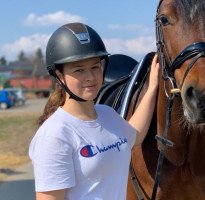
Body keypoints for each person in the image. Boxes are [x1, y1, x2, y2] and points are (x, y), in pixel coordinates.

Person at [29, 22, 159, 200]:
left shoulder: (108, 115)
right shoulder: (55, 135)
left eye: (95, 67)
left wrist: (152, 88)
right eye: (79, 70)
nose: (90, 77)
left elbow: (135, 135)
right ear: (59, 76)